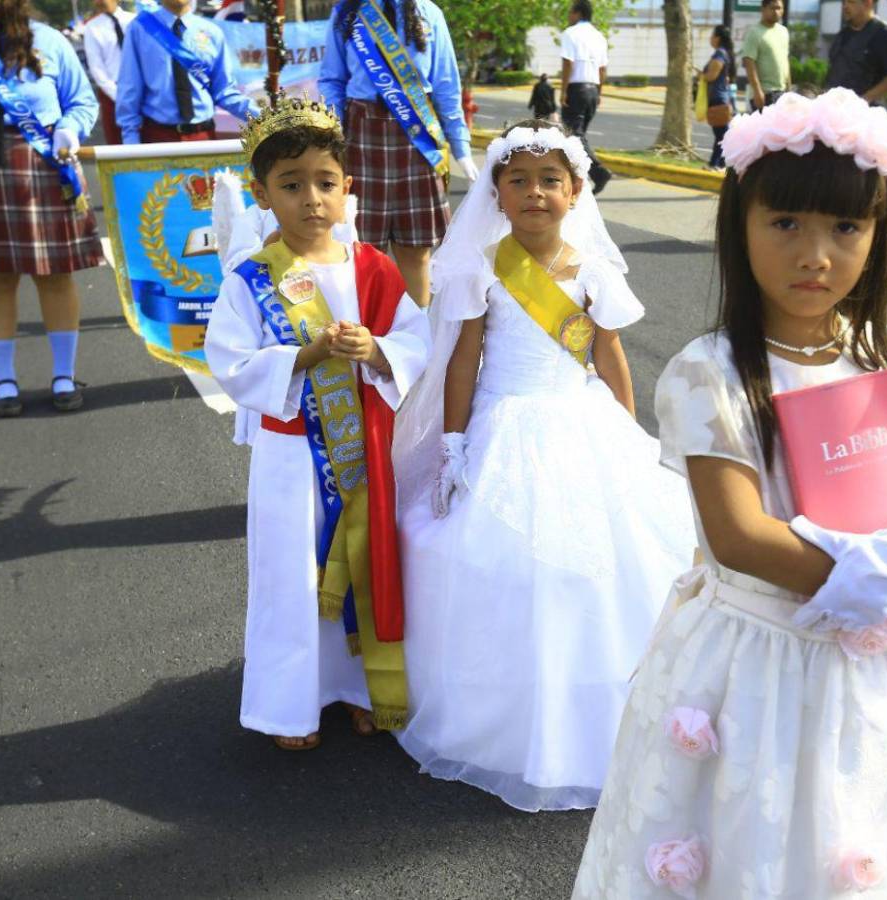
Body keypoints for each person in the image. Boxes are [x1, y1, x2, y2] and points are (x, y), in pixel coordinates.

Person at [572, 90, 887, 898]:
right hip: (756, 660)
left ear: (878, 233)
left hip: (877, 660)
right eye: (786, 223)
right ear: (741, 225)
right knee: (757, 839)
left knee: (867, 833)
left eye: (846, 228)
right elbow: (736, 534)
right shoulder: (711, 371)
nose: (816, 255)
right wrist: (862, 578)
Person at [390, 121, 696, 811]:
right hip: (504, 422)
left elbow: (608, 354)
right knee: (510, 568)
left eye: (550, 181)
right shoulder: (480, 266)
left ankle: (600, 711)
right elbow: (463, 360)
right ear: (496, 192)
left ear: (576, 191)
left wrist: (627, 426)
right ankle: (504, 715)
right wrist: (455, 442)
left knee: (598, 570)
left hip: (577, 420)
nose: (535, 193)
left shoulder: (592, 271)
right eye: (519, 180)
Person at [204, 97, 431, 750]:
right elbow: (231, 360)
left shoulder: (373, 268)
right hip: (290, 459)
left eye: (325, 183)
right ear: (262, 195)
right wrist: (304, 355)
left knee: (365, 561)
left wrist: (378, 351)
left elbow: (416, 340)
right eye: (292, 184)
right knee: (291, 577)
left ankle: (363, 690)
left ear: (347, 188)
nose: (311, 199)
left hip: (360, 450)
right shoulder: (251, 281)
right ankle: (289, 706)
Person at [0, 0, 102, 417]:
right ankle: (4, 380)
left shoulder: (49, 40)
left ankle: (64, 375)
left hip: (42, 164)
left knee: (54, 274)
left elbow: (82, 101)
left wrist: (68, 129)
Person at [319, 0, 477, 308]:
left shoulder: (428, 13)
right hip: (361, 135)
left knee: (416, 251)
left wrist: (462, 149)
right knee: (359, 250)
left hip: (416, 137)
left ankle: (419, 339)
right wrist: (332, 138)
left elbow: (446, 86)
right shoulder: (347, 10)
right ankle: (363, 341)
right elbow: (331, 79)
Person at [114, 0, 258, 144]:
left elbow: (225, 92)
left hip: (203, 136)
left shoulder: (212, 32)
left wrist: (266, 118)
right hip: (158, 136)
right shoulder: (140, 29)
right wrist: (130, 141)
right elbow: (129, 88)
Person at [560, 0, 612, 194]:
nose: (568, 16)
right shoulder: (599, 36)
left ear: (578, 13)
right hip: (592, 90)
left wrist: (563, 90)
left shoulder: (570, 33)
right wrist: (599, 93)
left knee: (573, 136)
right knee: (578, 136)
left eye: (570, 12)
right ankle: (577, 176)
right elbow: (602, 68)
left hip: (577, 89)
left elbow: (568, 63)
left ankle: (598, 172)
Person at [824, 0, 887, 106]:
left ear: (868, 3)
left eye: (851, 2)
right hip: (836, 111)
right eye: (844, 2)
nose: (845, 6)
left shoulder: (885, 34)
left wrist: (863, 100)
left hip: (867, 114)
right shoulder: (842, 35)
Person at [82, 0, 133, 145]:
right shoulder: (92, 27)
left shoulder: (134, 21)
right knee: (118, 143)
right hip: (112, 93)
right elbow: (96, 68)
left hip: (141, 90)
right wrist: (119, 96)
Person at [741, 0, 789, 113]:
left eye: (779, 8)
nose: (777, 12)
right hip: (764, 94)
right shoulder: (754, 32)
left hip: (781, 93)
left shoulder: (784, 31)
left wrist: (789, 90)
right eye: (773, 8)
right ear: (763, 9)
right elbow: (749, 62)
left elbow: (785, 61)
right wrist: (757, 91)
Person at [703, 25, 737, 169]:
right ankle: (719, 164)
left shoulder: (719, 54)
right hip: (720, 97)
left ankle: (717, 164)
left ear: (717, 38)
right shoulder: (724, 53)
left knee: (722, 134)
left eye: (712, 35)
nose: (710, 38)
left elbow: (711, 76)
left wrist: (700, 75)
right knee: (722, 133)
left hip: (718, 98)